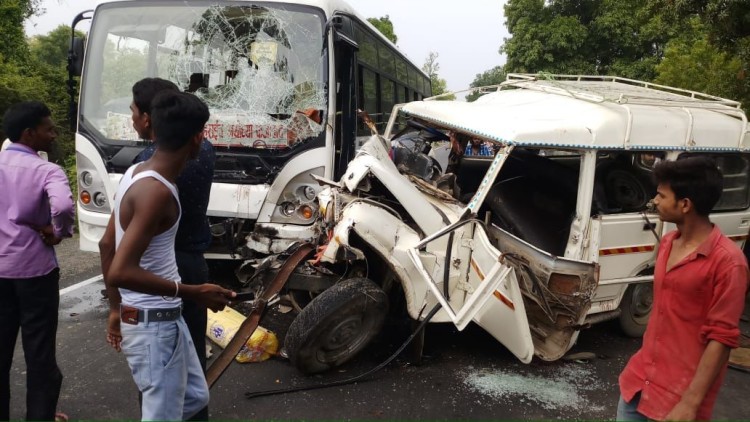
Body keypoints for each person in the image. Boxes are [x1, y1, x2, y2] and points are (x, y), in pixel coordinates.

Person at [98, 91, 235, 421]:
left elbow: (106, 244)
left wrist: (117, 309)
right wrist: (193, 292)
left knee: (195, 398)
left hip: (164, 321)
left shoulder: (139, 173)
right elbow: (120, 270)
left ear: (153, 130)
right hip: (153, 327)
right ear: (198, 137)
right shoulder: (156, 193)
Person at [617, 157, 749, 421]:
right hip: (637, 384)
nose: (655, 200)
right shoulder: (667, 243)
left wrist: (690, 404)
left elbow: (721, 339)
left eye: (662, 195)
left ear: (685, 205)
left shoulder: (729, 263)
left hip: (677, 402)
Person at [132, 77, 216, 421]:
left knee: (159, 370)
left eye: (135, 112)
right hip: (194, 261)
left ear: (150, 118)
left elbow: (118, 250)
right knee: (192, 357)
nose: (133, 120)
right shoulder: (203, 147)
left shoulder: (147, 169)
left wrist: (114, 305)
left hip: (160, 270)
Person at [0, 101, 74, 421]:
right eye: (48, 129)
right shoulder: (47, 170)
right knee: (39, 356)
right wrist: (57, 232)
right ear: (29, 134)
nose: (53, 134)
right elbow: (62, 207)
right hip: (35, 273)